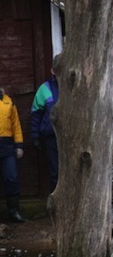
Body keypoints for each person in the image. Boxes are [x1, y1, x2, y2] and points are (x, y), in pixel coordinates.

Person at [31, 55, 60, 192]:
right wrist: (35, 136)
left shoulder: (73, 87)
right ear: (52, 71)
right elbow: (36, 113)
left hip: (70, 136)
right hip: (51, 136)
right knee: (55, 171)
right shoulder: (45, 88)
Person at [0, 88, 26, 222]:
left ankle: (13, 212)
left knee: (11, 177)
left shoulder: (8, 102)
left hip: (7, 146)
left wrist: (19, 145)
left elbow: (16, 126)